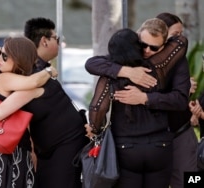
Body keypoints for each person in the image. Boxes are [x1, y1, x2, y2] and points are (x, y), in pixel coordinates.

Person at [0, 17, 89, 188]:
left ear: (17, 58)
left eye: (4, 55)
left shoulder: (32, 82)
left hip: (64, 147)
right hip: (51, 148)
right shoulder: (30, 77)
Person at [85, 18, 190, 188]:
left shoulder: (172, 62)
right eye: (143, 45)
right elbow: (90, 63)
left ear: (164, 46)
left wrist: (145, 98)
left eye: (154, 48)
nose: (147, 51)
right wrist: (127, 71)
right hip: (155, 144)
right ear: (137, 38)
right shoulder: (155, 67)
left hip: (134, 144)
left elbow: (98, 106)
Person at [0, 37, 57, 188]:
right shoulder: (3, 78)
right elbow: (33, 82)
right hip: (12, 153)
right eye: (0, 53)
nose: (3, 56)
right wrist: (49, 70)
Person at [156, 12, 198, 188]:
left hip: (182, 132)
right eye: (175, 35)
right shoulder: (145, 60)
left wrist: (185, 96)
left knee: (192, 180)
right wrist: (181, 91)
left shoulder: (180, 60)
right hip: (155, 137)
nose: (180, 40)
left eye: (181, 34)